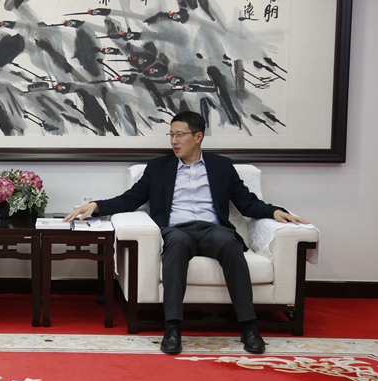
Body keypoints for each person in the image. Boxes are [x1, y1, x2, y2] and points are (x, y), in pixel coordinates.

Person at [64, 110, 307, 355]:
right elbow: (130, 199)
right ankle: (172, 327)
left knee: (229, 244)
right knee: (176, 245)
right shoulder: (158, 167)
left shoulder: (221, 166)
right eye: (171, 135)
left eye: (180, 135)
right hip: (176, 230)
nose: (174, 141)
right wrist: (96, 206)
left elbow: (246, 202)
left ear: (198, 136)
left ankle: (249, 326)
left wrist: (274, 211)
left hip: (213, 229)